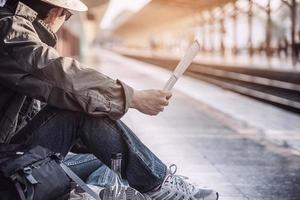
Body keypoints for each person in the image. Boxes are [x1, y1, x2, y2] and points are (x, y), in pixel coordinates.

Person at [0, 0, 219, 199]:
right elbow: (62, 74)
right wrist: (133, 97)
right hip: (7, 167)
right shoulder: (9, 28)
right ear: (57, 12)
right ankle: (159, 187)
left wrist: (102, 135)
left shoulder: (13, 29)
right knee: (81, 113)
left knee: (117, 158)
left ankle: (100, 192)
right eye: (68, 15)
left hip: (15, 156)